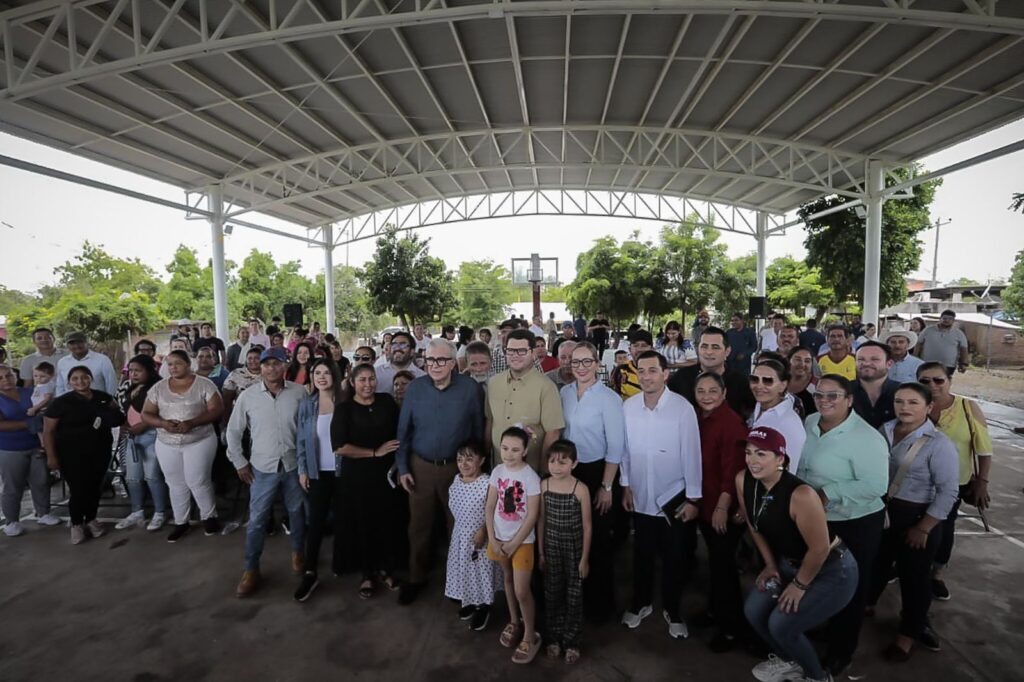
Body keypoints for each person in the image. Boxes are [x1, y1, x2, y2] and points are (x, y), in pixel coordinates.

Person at [739, 427, 858, 682]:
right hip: (788, 564)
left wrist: (799, 584)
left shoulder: (801, 494)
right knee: (754, 611)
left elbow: (820, 548)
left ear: (780, 459)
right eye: (748, 453)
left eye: (761, 454)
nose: (752, 460)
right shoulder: (743, 479)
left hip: (831, 570)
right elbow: (753, 523)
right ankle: (791, 661)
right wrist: (770, 565)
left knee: (781, 624)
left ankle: (817, 677)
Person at [797, 374, 889, 677]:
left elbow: (876, 485)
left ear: (849, 400)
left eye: (832, 396)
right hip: (816, 518)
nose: (824, 401)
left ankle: (842, 651)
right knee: (823, 579)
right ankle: (826, 626)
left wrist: (827, 493)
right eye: (820, 395)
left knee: (851, 585)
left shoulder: (866, 438)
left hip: (855, 521)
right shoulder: (811, 421)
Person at [867, 382, 959, 661]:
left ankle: (908, 634)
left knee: (914, 578)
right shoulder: (884, 430)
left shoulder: (938, 444)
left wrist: (924, 527)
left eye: (913, 403)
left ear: (929, 408)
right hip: (883, 511)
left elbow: (948, 491)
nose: (904, 408)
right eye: (899, 402)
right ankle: (866, 605)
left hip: (918, 516)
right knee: (877, 564)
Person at [620, 350, 702, 638]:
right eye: (641, 371)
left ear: (666, 373)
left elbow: (692, 454)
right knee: (641, 555)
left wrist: (693, 499)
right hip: (641, 495)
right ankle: (641, 603)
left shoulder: (682, 408)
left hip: (674, 499)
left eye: (652, 370)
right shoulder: (628, 407)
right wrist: (626, 485)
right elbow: (625, 452)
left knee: (675, 557)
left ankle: (673, 609)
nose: (646, 376)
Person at [396, 338, 484, 604]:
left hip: (459, 471)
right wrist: (402, 467)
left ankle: (460, 584)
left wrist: (476, 470)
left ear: (453, 363)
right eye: (430, 359)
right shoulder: (415, 388)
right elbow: (404, 431)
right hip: (420, 467)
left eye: (442, 360)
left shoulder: (470, 389)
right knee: (419, 527)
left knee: (459, 528)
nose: (435, 365)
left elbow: (477, 430)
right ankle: (416, 577)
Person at [225, 346, 307, 597]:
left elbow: (307, 429)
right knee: (257, 520)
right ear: (259, 367)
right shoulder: (248, 396)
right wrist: (239, 461)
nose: (271, 368)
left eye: (277, 363)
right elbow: (234, 432)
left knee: (297, 513)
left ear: (285, 366)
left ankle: (298, 553)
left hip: (294, 466)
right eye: (266, 364)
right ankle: (251, 569)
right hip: (262, 468)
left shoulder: (299, 393)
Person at [916, 361, 993, 603]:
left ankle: (936, 573)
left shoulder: (967, 408)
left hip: (953, 484)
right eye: (925, 381)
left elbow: (984, 448)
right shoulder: (915, 404)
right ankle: (913, 570)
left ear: (950, 381)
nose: (932, 385)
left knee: (943, 528)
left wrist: (982, 481)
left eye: (938, 380)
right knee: (915, 528)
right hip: (915, 483)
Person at [560, 342, 625, 623]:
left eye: (587, 362)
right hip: (567, 472)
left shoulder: (609, 399)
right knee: (572, 538)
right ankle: (573, 599)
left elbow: (616, 446)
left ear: (598, 363)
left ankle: (600, 606)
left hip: (598, 472)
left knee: (597, 540)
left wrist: (607, 486)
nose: (581, 368)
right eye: (576, 362)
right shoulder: (564, 393)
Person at [334, 363, 404, 599]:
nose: (368, 384)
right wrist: (375, 452)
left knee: (387, 521)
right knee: (363, 523)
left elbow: (398, 433)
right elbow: (341, 447)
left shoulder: (386, 402)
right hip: (358, 477)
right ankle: (366, 573)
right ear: (353, 382)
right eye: (362, 379)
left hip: (387, 475)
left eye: (371, 379)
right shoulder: (344, 409)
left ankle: (387, 568)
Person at [142, 349, 224, 543]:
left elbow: (217, 409)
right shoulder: (159, 388)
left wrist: (192, 423)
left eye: (178, 363)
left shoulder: (205, 384)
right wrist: (163, 424)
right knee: (175, 482)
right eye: (170, 364)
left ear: (189, 364)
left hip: (200, 439)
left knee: (198, 480)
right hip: (167, 442)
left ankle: (209, 516)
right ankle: (181, 521)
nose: (173, 367)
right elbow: (147, 413)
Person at [693, 371, 748, 652]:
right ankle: (716, 612)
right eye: (700, 391)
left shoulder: (731, 424)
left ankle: (731, 629)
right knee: (715, 565)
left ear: (724, 393)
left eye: (712, 390)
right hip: (705, 504)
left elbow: (734, 470)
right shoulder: (702, 419)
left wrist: (723, 507)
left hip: (721, 508)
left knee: (725, 569)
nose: (706, 396)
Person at [43, 365, 126, 544]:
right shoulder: (61, 402)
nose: (80, 381)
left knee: (95, 487)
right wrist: (51, 456)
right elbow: (48, 431)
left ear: (91, 379)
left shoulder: (103, 397)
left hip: (99, 451)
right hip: (70, 454)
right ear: (69, 382)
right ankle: (76, 524)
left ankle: (91, 519)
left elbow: (117, 415)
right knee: (79, 489)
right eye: (75, 378)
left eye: (84, 377)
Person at [486, 426, 543, 664]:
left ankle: (531, 635)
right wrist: (492, 537)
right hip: (498, 539)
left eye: (515, 450)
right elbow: (489, 507)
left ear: (525, 450)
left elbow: (531, 516)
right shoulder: (497, 471)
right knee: (507, 580)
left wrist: (514, 543)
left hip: (521, 542)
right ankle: (514, 621)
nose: (508, 454)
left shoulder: (531, 477)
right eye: (505, 448)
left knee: (522, 590)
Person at [294, 358, 346, 602]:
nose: (321, 377)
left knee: (345, 520)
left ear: (334, 375)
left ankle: (341, 562)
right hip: (318, 472)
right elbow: (302, 441)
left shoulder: (345, 403)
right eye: (317, 373)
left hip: (344, 471)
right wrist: (303, 469)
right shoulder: (307, 404)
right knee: (315, 522)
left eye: (326, 372)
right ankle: (310, 570)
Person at [537, 439, 592, 664]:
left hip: (574, 549)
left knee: (574, 595)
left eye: (563, 462)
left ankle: (572, 641)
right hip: (551, 547)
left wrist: (584, 559)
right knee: (552, 593)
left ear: (574, 463)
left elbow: (588, 526)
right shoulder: (544, 486)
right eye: (552, 462)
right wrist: (541, 553)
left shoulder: (581, 489)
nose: (556, 467)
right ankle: (553, 638)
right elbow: (540, 520)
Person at [486, 329, 565, 472]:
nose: (515, 356)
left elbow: (553, 432)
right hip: (499, 470)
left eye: (521, 351)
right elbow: (490, 422)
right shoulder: (493, 383)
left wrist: (543, 470)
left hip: (531, 471)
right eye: (510, 351)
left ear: (533, 353)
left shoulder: (546, 387)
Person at [0, 364, 61, 536]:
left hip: (36, 444)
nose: (6, 380)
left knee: (41, 481)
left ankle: (43, 513)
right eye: (1, 377)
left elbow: (46, 407)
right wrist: (26, 424)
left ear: (15, 376)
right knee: (12, 487)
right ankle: (11, 521)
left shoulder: (30, 391)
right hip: (10, 449)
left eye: (9, 375)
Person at [444, 440, 497, 632]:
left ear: (481, 460)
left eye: (469, 459)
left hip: (480, 537)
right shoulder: (457, 480)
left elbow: (493, 510)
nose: (463, 464)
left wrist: (483, 530)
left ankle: (484, 606)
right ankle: (470, 602)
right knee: (464, 569)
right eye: (459, 459)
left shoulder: (487, 483)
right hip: (460, 536)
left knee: (480, 571)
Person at [114, 354, 169, 532]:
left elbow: (164, 412)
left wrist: (144, 425)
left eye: (138, 370)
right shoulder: (129, 387)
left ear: (149, 370)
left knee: (152, 476)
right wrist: (125, 424)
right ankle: (137, 511)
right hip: (132, 437)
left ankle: (160, 512)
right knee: (132, 477)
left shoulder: (160, 387)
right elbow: (122, 408)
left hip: (152, 435)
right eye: (131, 370)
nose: (133, 374)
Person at [668, 325, 756, 420]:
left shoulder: (741, 382)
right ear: (698, 349)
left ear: (727, 351)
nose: (709, 352)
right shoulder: (681, 377)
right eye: (704, 346)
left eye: (715, 347)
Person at [748, 358, 806, 472]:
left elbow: (788, 471)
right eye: (754, 379)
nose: (759, 386)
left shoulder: (790, 424)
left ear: (783, 385)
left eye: (768, 381)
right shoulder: (758, 406)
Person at [851, 341, 900, 428]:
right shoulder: (843, 390)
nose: (866, 363)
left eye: (874, 359)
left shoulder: (902, 391)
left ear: (889, 364)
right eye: (861, 359)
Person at [55, 331, 119, 396]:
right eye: (72, 344)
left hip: (97, 403)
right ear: (68, 345)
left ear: (86, 343)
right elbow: (60, 387)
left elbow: (111, 384)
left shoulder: (102, 360)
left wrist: (110, 401)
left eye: (79, 342)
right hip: (70, 404)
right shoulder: (62, 362)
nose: (76, 346)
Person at [915, 310, 969, 375]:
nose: (947, 320)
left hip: (948, 365)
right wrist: (915, 359)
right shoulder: (928, 330)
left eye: (950, 319)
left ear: (953, 320)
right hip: (927, 363)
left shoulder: (959, 333)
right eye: (944, 318)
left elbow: (963, 349)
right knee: (925, 381)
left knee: (943, 383)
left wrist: (963, 364)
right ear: (940, 319)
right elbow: (918, 344)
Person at [611, 330, 653, 399]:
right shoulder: (621, 370)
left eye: (644, 345)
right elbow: (614, 397)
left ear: (652, 349)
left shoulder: (659, 370)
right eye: (636, 345)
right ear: (630, 349)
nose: (639, 349)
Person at [24, 362, 55, 446]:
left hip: (43, 409)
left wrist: (35, 408)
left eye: (42, 376)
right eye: (35, 376)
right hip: (39, 409)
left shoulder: (46, 385)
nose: (38, 378)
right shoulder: (41, 385)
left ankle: (43, 443)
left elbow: (47, 399)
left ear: (51, 376)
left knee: (36, 423)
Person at [787, 347, 818, 418]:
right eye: (798, 360)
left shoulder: (818, 385)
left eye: (807, 361)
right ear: (788, 361)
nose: (802, 364)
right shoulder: (778, 382)